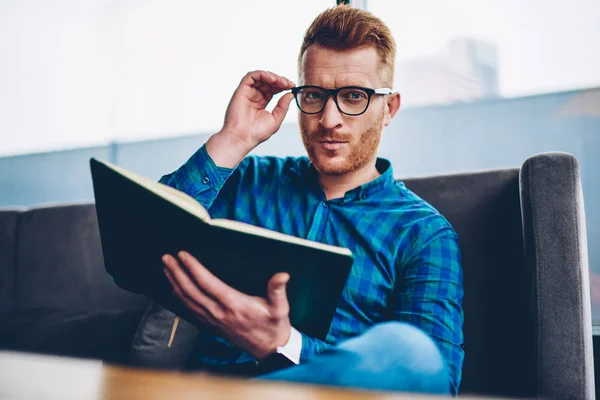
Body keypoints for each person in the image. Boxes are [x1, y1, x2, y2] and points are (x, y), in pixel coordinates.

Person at [131, 5, 464, 395]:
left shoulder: (422, 234)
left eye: (354, 97)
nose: (328, 119)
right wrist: (232, 140)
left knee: (412, 354)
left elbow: (437, 386)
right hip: (212, 390)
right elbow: (141, 240)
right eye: (314, 95)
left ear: (388, 108)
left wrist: (283, 344)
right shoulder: (247, 179)